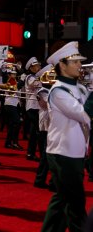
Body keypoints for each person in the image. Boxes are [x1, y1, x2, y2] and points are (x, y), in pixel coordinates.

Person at [41, 41, 93, 232]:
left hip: (75, 152)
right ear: (62, 65)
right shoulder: (58, 91)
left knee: (63, 200)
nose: (80, 66)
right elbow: (83, 114)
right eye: (75, 62)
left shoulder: (80, 88)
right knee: (76, 204)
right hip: (63, 153)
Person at [33, 64, 54, 189]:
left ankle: (41, 179)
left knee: (47, 155)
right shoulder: (43, 91)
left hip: (51, 124)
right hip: (46, 125)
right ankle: (41, 179)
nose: (53, 77)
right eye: (50, 75)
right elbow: (51, 103)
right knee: (47, 155)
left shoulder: (51, 89)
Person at [24, 57, 42, 161]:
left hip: (36, 106)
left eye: (39, 65)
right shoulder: (30, 77)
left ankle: (31, 153)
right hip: (32, 106)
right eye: (36, 66)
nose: (39, 67)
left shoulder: (35, 76)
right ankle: (32, 153)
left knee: (35, 131)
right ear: (31, 68)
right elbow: (35, 84)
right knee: (36, 130)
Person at [3, 68, 23, 150]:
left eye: (15, 74)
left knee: (12, 125)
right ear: (9, 75)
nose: (14, 75)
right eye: (12, 74)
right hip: (10, 104)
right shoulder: (10, 81)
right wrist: (22, 80)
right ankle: (14, 142)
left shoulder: (15, 81)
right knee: (17, 122)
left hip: (15, 104)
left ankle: (8, 142)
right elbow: (15, 89)